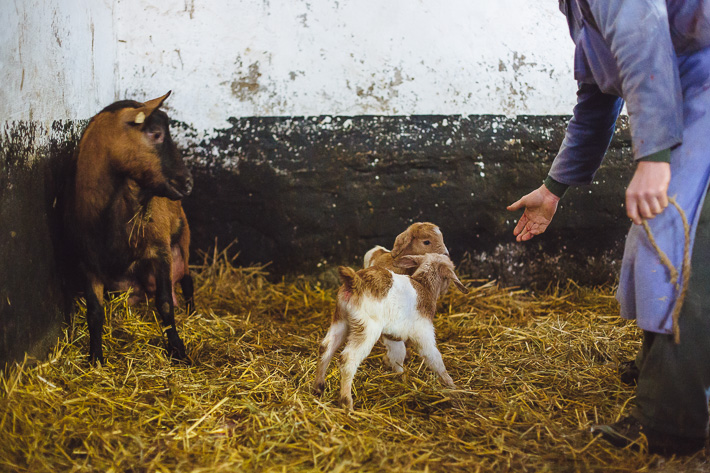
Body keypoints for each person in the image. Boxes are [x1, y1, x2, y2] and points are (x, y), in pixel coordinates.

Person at [507, 0, 710, 456]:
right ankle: (661, 370)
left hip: (702, 97)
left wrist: (654, 158)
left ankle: (671, 421)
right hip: (687, 104)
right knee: (657, 239)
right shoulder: (577, 7)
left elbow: (644, 40)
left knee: (686, 247)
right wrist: (553, 188)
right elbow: (597, 99)